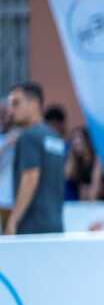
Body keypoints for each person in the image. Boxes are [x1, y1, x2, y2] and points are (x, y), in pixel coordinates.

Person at [4, 82, 65, 235]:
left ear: (34, 104)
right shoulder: (55, 137)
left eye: (16, 103)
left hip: (32, 226)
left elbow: (30, 177)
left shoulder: (29, 137)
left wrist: (13, 220)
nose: (11, 110)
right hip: (55, 223)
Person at [64, 126, 104, 201]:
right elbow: (66, 176)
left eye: (80, 138)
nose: (76, 141)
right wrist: (71, 155)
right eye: (73, 139)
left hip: (99, 198)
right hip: (82, 198)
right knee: (82, 188)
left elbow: (96, 186)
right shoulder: (75, 160)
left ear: (87, 141)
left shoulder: (97, 158)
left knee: (87, 188)